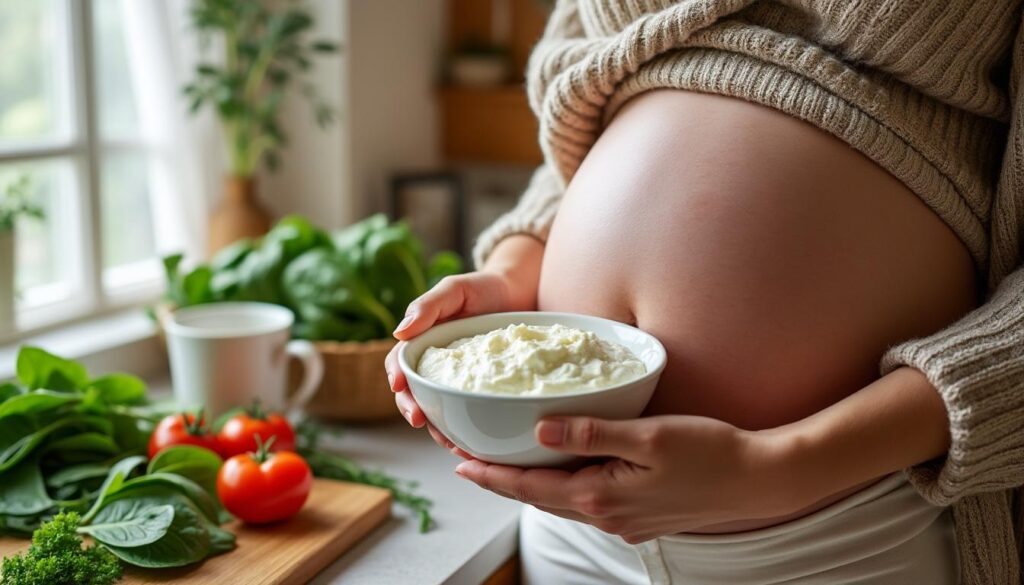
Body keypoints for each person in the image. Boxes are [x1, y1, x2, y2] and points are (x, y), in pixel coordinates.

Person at [384, 1, 1024, 583]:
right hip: (572, 530)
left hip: (839, 537)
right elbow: (581, 99)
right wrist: (514, 272)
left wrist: (780, 467)